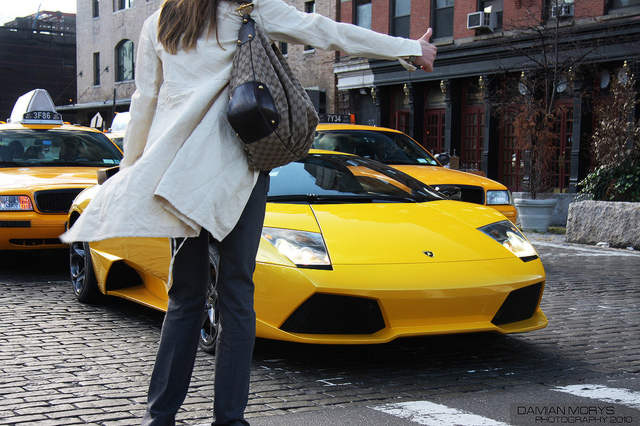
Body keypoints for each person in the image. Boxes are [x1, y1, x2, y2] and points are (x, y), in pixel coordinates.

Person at [61, 0, 436, 424]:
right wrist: (408, 47)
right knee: (237, 295)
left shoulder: (158, 22)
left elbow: (145, 100)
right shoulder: (248, 9)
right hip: (239, 169)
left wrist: (131, 168)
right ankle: (230, 419)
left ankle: (159, 416)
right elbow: (323, 30)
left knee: (184, 296)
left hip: (181, 177)